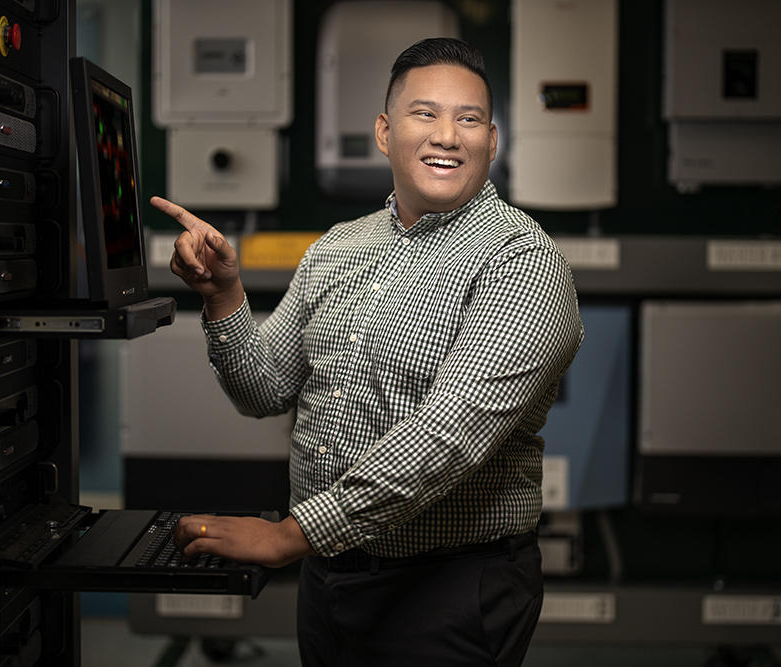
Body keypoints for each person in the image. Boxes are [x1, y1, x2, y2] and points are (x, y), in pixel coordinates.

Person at [153, 37, 583, 667]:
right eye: (424, 114)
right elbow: (264, 389)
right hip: (330, 580)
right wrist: (223, 295)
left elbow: (449, 437)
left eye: (468, 120)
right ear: (385, 132)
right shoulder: (338, 247)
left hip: (448, 590)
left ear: (492, 141)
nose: (447, 136)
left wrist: (290, 535)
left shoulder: (522, 263)